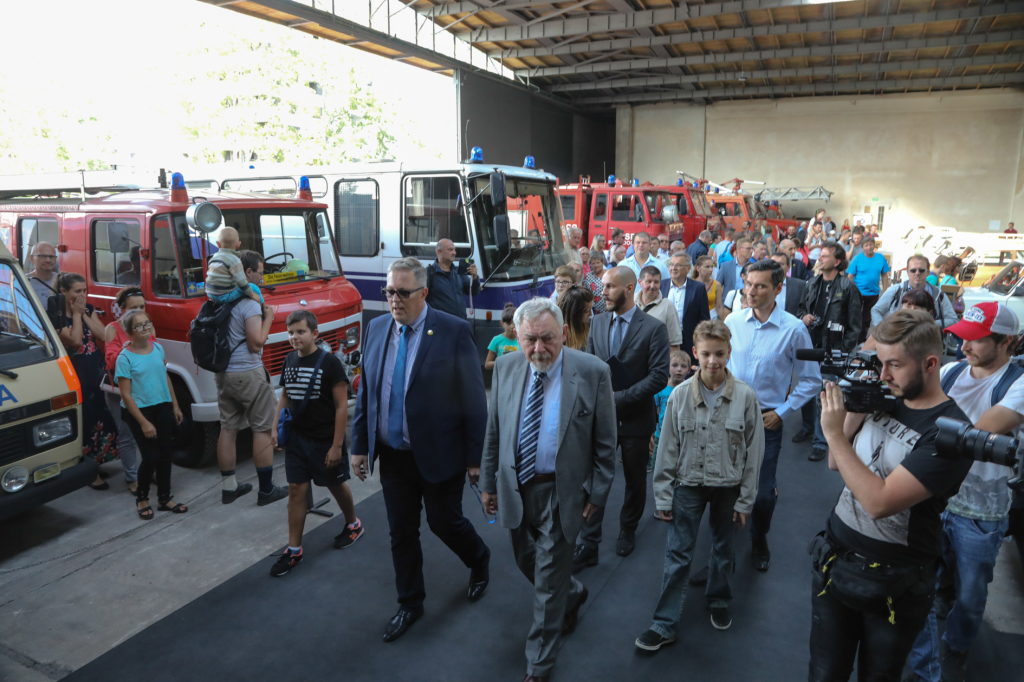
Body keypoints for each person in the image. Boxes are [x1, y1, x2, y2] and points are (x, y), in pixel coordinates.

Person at [809, 309, 973, 682]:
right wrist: (853, 412)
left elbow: (879, 502)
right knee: (823, 672)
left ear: (930, 364)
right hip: (836, 560)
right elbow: (837, 464)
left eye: (894, 365)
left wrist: (833, 432)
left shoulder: (950, 432)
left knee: (878, 676)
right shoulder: (886, 394)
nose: (883, 375)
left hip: (894, 585)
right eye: (880, 363)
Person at [351, 257, 491, 643]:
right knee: (401, 532)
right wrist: (360, 445)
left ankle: (479, 558)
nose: (394, 299)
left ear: (423, 293)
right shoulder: (376, 329)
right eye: (389, 292)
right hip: (394, 456)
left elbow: (474, 401)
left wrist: (475, 458)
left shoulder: (453, 331)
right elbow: (368, 391)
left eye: (402, 292)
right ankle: (410, 602)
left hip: (440, 453)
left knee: (443, 522)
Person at [480, 297, 616, 682]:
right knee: (530, 563)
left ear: (565, 334)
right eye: (530, 340)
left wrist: (597, 493)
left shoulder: (593, 372)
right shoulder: (506, 367)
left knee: (546, 583)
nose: (538, 349)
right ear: (517, 336)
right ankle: (571, 592)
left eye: (547, 339)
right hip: (516, 487)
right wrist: (489, 481)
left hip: (563, 492)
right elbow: (495, 431)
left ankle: (538, 664)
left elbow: (607, 442)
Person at [906, 303, 1024, 682]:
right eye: (961, 336)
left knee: (972, 594)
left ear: (1008, 342)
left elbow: (974, 434)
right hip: (938, 494)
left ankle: (956, 645)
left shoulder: (1017, 384)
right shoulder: (954, 370)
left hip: (980, 507)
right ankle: (941, 604)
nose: (963, 345)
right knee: (930, 572)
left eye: (975, 339)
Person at [635, 320, 765, 651]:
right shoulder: (679, 396)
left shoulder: (746, 398)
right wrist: (662, 495)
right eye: (706, 354)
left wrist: (745, 501)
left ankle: (719, 600)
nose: (713, 361)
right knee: (678, 553)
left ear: (729, 352)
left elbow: (754, 454)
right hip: (688, 485)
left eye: (719, 354)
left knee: (724, 548)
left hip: (728, 487)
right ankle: (664, 622)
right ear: (695, 353)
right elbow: (667, 448)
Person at [725, 260, 820, 571]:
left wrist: (783, 412)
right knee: (723, 486)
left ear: (778, 289)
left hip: (767, 421)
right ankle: (722, 546)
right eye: (748, 284)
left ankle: (758, 537)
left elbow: (811, 379)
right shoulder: (733, 322)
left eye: (760, 286)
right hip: (728, 417)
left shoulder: (793, 329)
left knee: (763, 494)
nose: (751, 291)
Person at [574, 266, 670, 570]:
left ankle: (628, 530)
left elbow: (659, 377)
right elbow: (590, 366)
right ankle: (589, 543)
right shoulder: (598, 322)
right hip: (599, 420)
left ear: (630, 289)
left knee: (633, 479)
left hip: (636, 419)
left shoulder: (654, 328)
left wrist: (617, 399)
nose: (604, 293)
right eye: (604, 286)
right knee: (593, 478)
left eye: (610, 287)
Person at [269, 310, 361, 577]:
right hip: (297, 440)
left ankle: (353, 524)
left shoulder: (330, 363)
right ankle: (294, 550)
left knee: (334, 483)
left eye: (300, 331)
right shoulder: (288, 360)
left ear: (314, 334)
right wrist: (275, 428)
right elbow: (285, 396)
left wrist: (336, 445)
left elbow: (342, 406)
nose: (294, 337)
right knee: (296, 489)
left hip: (324, 439)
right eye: (290, 332)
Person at [214, 250, 287, 507]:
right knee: (263, 429)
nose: (263, 276)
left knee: (228, 428)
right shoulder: (249, 302)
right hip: (248, 373)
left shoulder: (219, 299)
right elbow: (256, 343)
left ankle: (229, 487)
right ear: (248, 273)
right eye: (261, 270)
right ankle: (266, 490)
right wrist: (268, 318)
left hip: (224, 375)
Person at [793, 244, 863, 462]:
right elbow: (801, 308)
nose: (819, 259)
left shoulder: (848, 287)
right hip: (810, 344)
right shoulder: (812, 282)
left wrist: (843, 351)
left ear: (838, 261)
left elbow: (855, 324)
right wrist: (804, 317)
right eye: (820, 256)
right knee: (806, 387)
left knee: (825, 394)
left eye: (825, 256)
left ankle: (821, 441)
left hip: (834, 348)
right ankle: (807, 427)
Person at [115, 308, 186, 519]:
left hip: (162, 406)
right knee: (150, 456)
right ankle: (142, 499)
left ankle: (164, 498)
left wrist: (175, 406)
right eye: (139, 326)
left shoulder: (157, 349)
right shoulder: (125, 358)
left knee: (165, 455)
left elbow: (165, 378)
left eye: (147, 324)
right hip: (139, 411)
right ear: (129, 331)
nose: (145, 329)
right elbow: (126, 396)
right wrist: (144, 422)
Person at [58, 273, 120, 490]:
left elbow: (103, 335)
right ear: (63, 292)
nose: (82, 295)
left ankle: (96, 462)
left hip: (95, 368)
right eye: (77, 291)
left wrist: (83, 314)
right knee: (83, 419)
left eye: (84, 290)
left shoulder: (89, 308)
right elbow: (74, 340)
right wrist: (76, 314)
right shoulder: (55, 314)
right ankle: (87, 471)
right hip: (74, 373)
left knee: (102, 415)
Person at [104, 287, 151, 495]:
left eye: (142, 306)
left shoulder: (148, 326)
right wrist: (131, 347)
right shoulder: (113, 328)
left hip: (144, 387)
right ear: (122, 309)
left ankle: (149, 471)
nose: (139, 311)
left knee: (149, 432)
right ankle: (132, 478)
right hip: (121, 391)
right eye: (134, 307)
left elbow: (156, 354)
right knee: (128, 435)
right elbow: (111, 360)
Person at [871, 255, 956, 331]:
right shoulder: (895, 290)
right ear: (907, 272)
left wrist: (930, 325)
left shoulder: (938, 293)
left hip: (926, 341)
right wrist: (883, 329)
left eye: (921, 270)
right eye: (913, 270)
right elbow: (876, 310)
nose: (917, 273)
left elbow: (952, 319)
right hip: (897, 340)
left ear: (928, 272)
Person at [650, 350, 691, 473]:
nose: (679, 369)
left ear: (689, 370)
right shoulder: (661, 388)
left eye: (683, 366)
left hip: (681, 437)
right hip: (661, 435)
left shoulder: (689, 389)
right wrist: (651, 433)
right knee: (657, 468)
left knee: (678, 468)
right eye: (674, 365)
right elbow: (653, 412)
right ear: (667, 367)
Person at [861, 289, 936, 352]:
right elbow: (860, 360)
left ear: (929, 312)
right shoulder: (886, 329)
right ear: (901, 307)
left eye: (917, 308)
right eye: (908, 306)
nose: (911, 311)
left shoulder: (930, 334)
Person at [848, 237, 891, 342]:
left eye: (871, 245)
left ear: (874, 246)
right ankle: (855, 338)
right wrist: (849, 291)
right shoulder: (857, 259)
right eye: (866, 245)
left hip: (873, 294)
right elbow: (850, 277)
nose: (869, 247)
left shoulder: (880, 258)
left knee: (867, 318)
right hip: (859, 293)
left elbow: (885, 275)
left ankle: (861, 340)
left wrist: (884, 290)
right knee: (857, 317)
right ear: (862, 247)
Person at [667, 254, 711, 357]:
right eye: (671, 265)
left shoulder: (698, 288)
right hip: (666, 340)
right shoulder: (661, 285)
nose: (673, 268)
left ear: (688, 268)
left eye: (678, 265)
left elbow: (704, 318)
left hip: (689, 340)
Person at [205, 227, 261, 305]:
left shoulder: (213, 258)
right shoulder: (234, 260)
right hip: (224, 296)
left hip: (210, 294)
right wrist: (251, 294)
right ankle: (262, 305)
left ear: (218, 244)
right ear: (238, 244)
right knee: (253, 287)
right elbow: (241, 282)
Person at [425, 238, 480, 319]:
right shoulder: (429, 273)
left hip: (460, 323)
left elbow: (473, 292)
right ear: (439, 252)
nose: (454, 253)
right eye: (450, 250)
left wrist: (475, 277)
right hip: (440, 323)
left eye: (454, 250)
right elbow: (420, 299)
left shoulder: (458, 272)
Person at [635, 265, 682, 352]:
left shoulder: (668, 306)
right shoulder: (630, 303)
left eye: (656, 282)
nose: (652, 286)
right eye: (648, 281)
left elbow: (674, 344)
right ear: (640, 282)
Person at [715, 236, 753, 304]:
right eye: (748, 248)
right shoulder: (726, 266)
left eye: (752, 248)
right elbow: (717, 286)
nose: (751, 251)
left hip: (747, 304)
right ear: (739, 249)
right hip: (729, 304)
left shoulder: (754, 267)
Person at [558, 285, 595, 351]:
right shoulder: (558, 336)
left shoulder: (591, 326)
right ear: (574, 314)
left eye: (591, 310)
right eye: (587, 312)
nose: (591, 315)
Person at [770, 252, 807, 318]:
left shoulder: (800, 285)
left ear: (788, 267)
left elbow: (804, 308)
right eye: (773, 264)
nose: (777, 267)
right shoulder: (761, 285)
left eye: (781, 264)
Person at [485, 303, 519, 370]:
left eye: (515, 323)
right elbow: (487, 365)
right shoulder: (496, 340)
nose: (512, 326)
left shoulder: (523, 339)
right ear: (502, 324)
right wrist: (503, 362)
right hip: (502, 377)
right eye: (508, 323)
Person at [693, 255, 722, 319]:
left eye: (712, 267)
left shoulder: (716, 284)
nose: (710, 269)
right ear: (698, 268)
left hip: (712, 319)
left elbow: (719, 306)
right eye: (707, 267)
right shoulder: (691, 284)